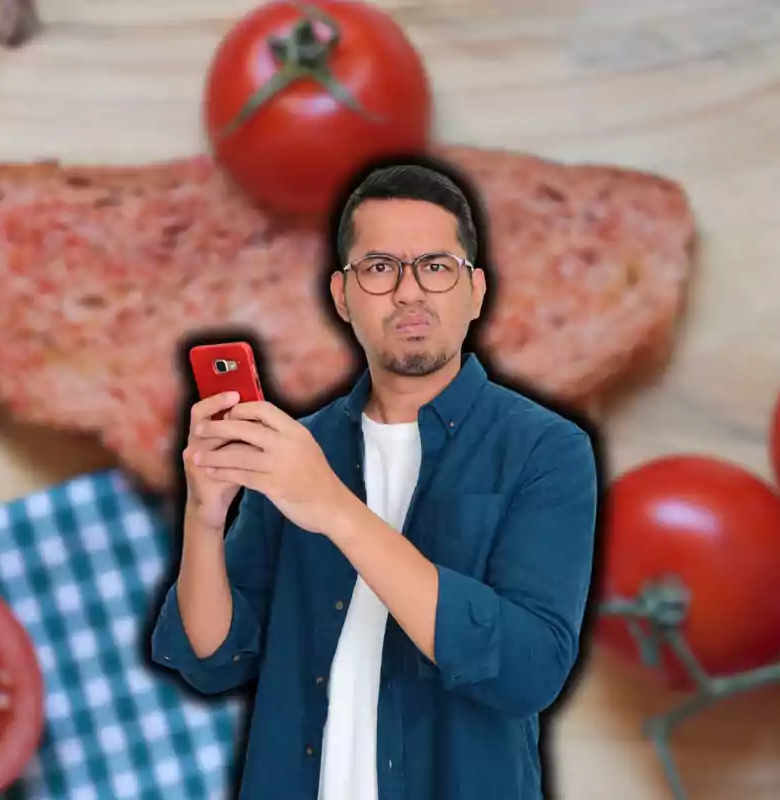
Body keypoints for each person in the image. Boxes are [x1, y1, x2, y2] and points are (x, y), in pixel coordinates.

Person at [150, 161, 599, 800]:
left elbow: (527, 670)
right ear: (342, 296)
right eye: (380, 268)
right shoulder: (302, 449)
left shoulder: (546, 450)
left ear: (475, 293)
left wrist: (332, 505)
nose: (409, 292)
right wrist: (203, 515)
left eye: (436, 267)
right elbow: (213, 659)